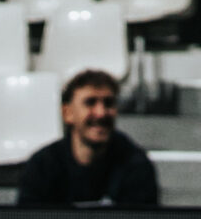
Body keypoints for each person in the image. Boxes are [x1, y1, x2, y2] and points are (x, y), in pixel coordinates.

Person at [16, 67, 160, 208]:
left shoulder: (136, 165)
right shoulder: (42, 166)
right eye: (90, 102)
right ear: (68, 113)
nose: (101, 113)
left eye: (108, 103)